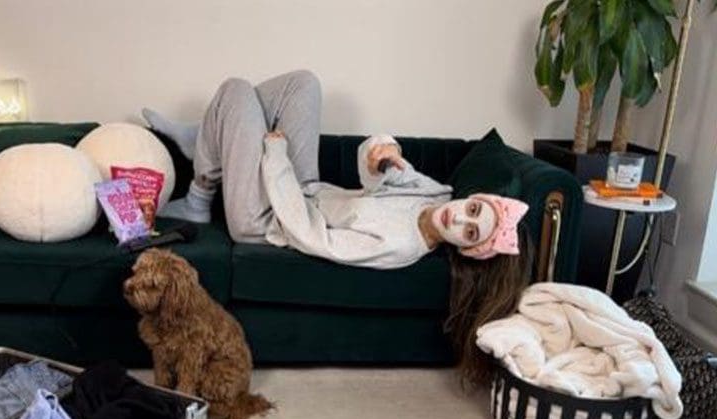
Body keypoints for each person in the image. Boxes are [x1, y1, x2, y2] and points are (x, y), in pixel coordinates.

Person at [144, 70, 532, 381]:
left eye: (470, 232)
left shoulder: (400, 246)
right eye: (475, 210)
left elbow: (310, 235)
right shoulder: (438, 196)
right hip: (307, 189)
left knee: (235, 90)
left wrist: (276, 157)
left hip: (269, 219)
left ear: (466, 249)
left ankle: (199, 191)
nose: (461, 218)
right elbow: (381, 173)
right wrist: (383, 152)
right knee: (303, 84)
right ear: (474, 197)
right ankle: (212, 136)